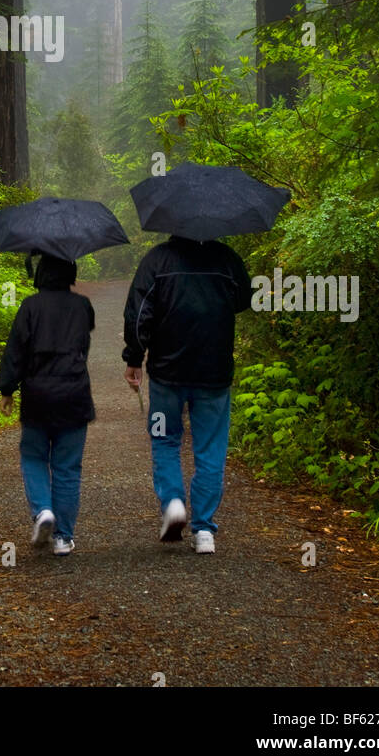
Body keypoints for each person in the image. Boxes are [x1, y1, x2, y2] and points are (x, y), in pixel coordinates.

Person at [122, 233, 252, 554]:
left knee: (164, 438)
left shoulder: (157, 260)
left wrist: (134, 358)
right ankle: (204, 529)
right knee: (210, 448)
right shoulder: (227, 259)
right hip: (215, 373)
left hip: (167, 375)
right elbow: (245, 299)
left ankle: (174, 503)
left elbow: (138, 314)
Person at [0, 252, 95, 556]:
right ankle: (63, 537)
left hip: (38, 395)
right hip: (74, 394)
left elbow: (17, 350)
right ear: (71, 272)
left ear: (40, 274)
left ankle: (43, 510)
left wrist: (7, 389)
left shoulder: (30, 307)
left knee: (34, 456)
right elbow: (83, 342)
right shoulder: (83, 306)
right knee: (67, 467)